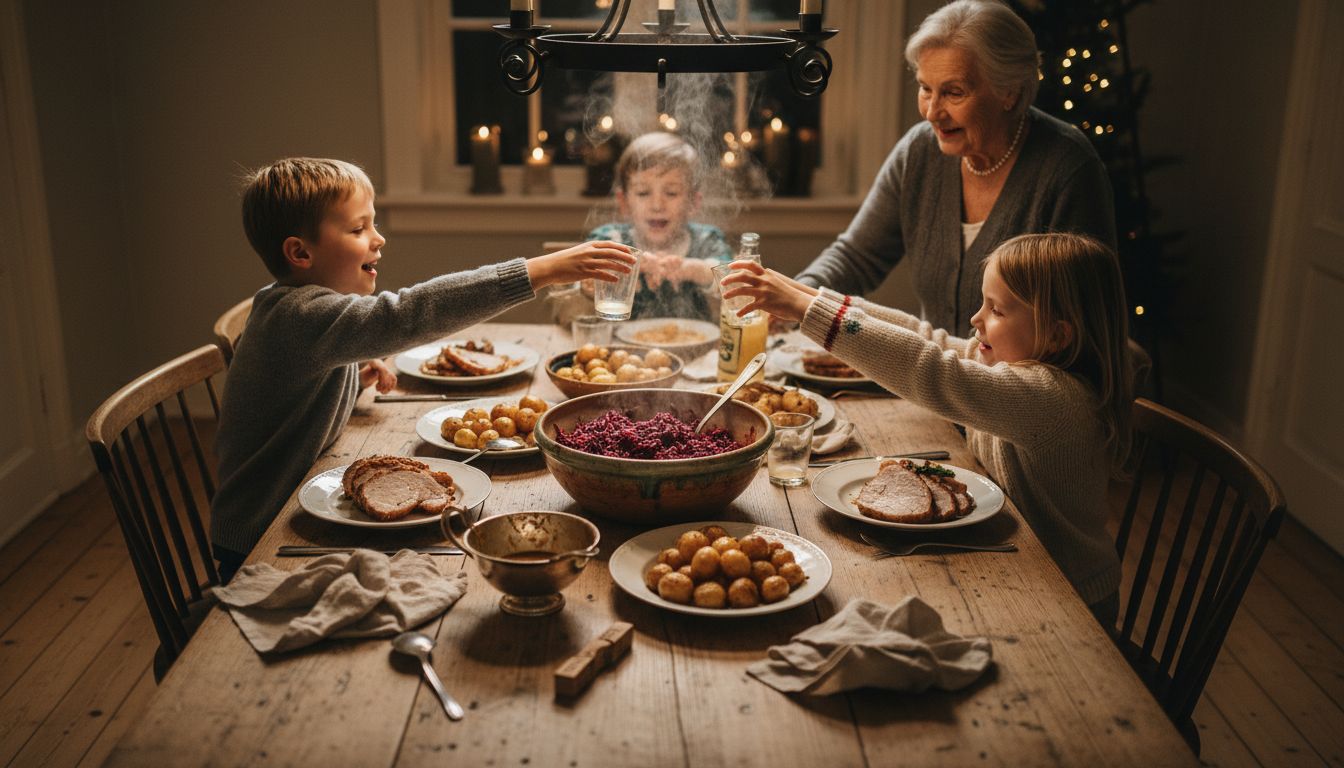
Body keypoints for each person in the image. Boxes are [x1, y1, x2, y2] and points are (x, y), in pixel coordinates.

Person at [212, 157, 635, 581]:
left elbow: (293, 388)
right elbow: (408, 314)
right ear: (300, 252)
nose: (378, 239)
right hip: (259, 538)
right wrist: (539, 271)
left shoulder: (299, 312)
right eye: (358, 229)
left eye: (372, 224)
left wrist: (347, 373)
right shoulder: (297, 317)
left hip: (291, 511)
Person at [723, 233, 1132, 624]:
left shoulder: (1049, 397)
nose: (976, 319)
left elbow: (932, 368)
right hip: (1017, 560)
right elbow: (924, 337)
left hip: (1068, 595)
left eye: (997, 310)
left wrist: (806, 311)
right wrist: (812, 297)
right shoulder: (1015, 368)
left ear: (1058, 335)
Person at [793, 0, 1116, 336]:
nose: (932, 111)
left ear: (1010, 92)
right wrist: (793, 296)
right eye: (925, 88)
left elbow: (1081, 329)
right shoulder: (919, 151)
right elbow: (856, 257)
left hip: (1021, 386)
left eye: (953, 92)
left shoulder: (1068, 169)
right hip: (932, 384)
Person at [584, 131, 733, 320]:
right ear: (624, 202)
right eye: (643, 193)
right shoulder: (610, 239)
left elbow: (733, 280)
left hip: (696, 347)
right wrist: (627, 268)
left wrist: (692, 269)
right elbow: (585, 284)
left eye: (671, 193)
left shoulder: (706, 240)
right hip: (621, 347)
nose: (657, 205)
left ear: (693, 202)